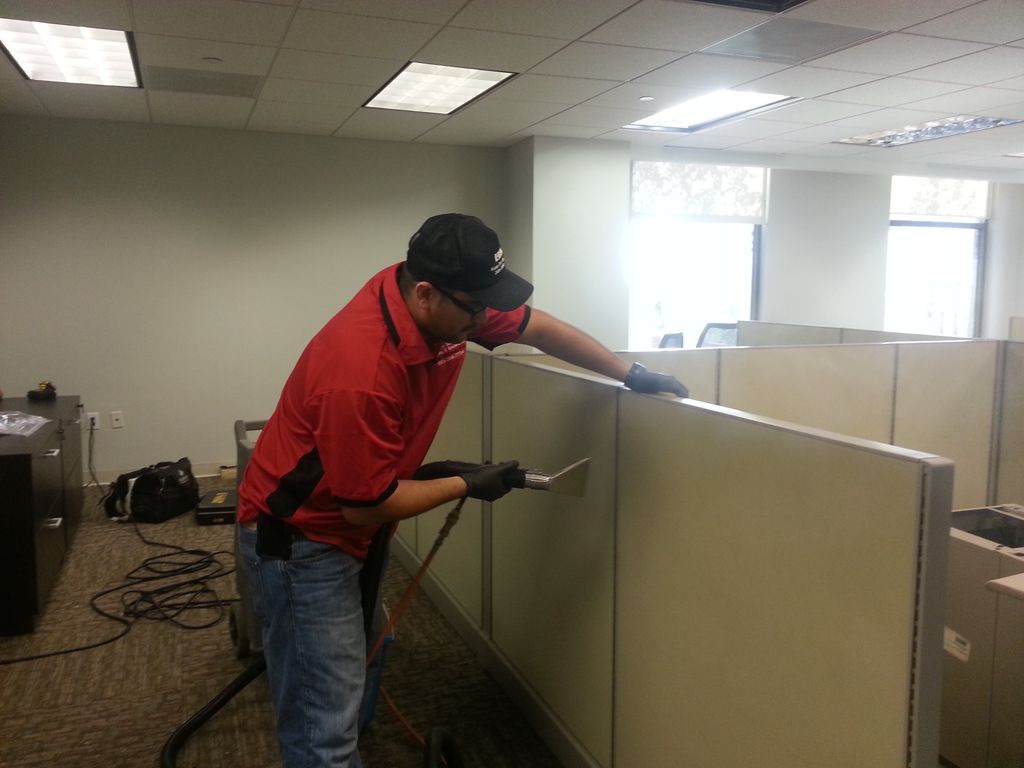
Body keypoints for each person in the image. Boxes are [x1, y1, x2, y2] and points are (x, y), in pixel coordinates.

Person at [236, 213, 687, 768]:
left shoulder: (441, 307)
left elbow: (539, 328)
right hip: (300, 539)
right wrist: (461, 484)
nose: (485, 318)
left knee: (368, 654)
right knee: (320, 725)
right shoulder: (362, 369)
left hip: (345, 515)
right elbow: (364, 508)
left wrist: (630, 373)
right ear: (426, 294)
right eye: (476, 306)